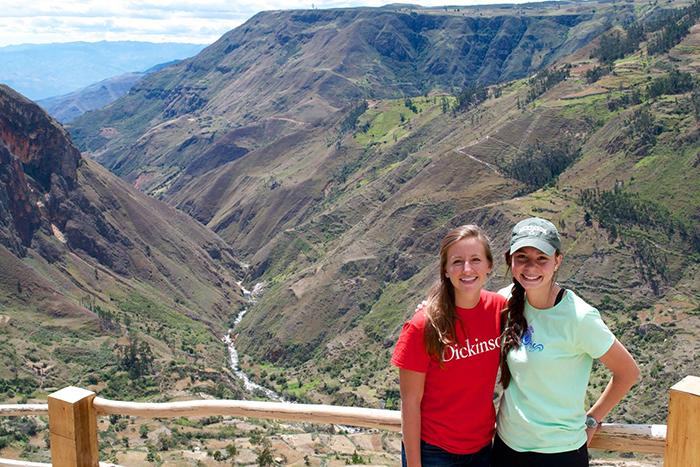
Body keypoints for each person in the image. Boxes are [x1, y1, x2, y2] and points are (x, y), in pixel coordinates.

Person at [491, 217, 640, 467]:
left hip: (560, 454)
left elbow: (628, 372)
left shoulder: (580, 317)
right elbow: (463, 317)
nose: (531, 267)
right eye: (522, 257)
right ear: (510, 260)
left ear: (557, 261)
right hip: (507, 446)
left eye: (542, 258)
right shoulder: (503, 301)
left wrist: (593, 419)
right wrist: (429, 310)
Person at [391, 225, 507, 467]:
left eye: (476, 259)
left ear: (489, 265)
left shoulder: (500, 309)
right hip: (435, 452)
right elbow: (410, 403)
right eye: (457, 261)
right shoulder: (424, 325)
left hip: (483, 448)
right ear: (445, 269)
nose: (467, 269)